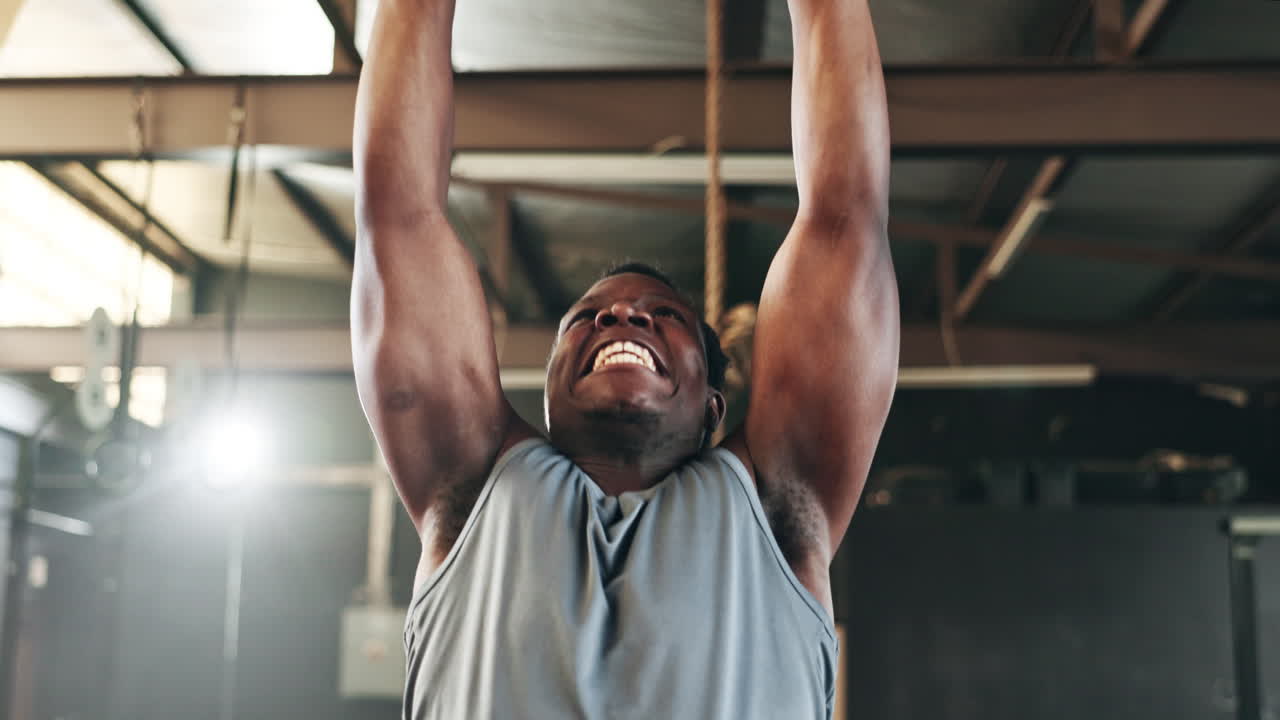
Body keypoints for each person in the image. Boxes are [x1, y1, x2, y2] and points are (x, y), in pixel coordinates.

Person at [351, 0, 899, 717]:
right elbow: (398, 212)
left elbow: (845, 215)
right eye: (587, 318)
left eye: (664, 317)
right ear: (545, 396)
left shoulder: (779, 507)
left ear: (713, 404)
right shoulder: (471, 487)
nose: (621, 314)